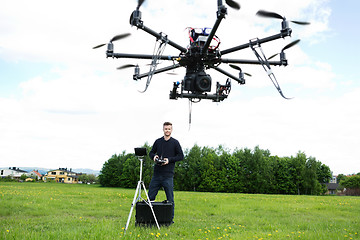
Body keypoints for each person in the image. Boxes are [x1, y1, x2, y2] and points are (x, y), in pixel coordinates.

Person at [148, 121, 184, 223]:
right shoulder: (158, 141)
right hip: (156, 174)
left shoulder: (175, 142)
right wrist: (154, 157)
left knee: (170, 199)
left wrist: (169, 160)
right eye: (165, 129)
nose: (167, 130)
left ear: (171, 130)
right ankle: (149, 218)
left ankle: (170, 220)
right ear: (163, 129)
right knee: (150, 197)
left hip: (168, 175)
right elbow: (151, 152)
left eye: (169, 129)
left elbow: (181, 156)